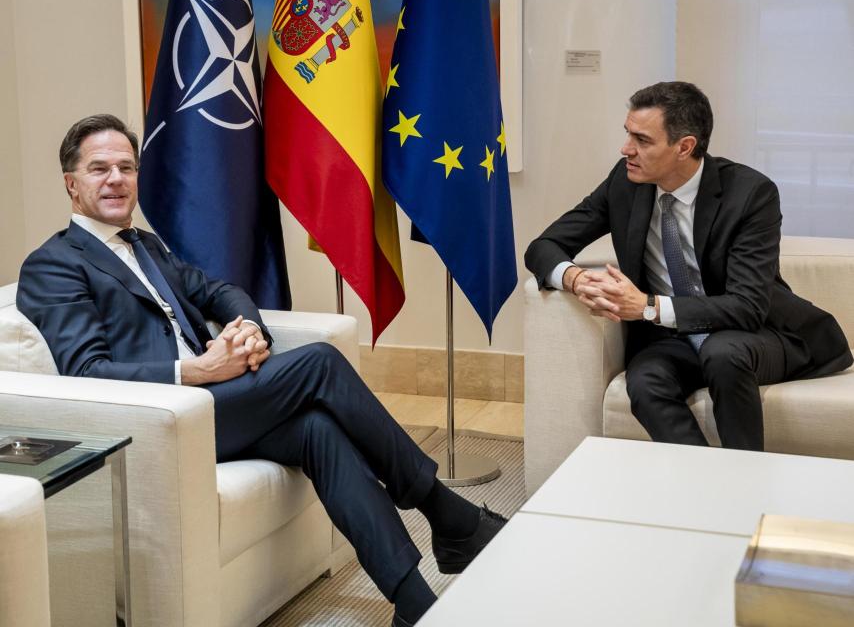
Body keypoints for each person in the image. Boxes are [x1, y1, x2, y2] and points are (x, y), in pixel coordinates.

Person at [17, 114, 507, 627]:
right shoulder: (53, 264)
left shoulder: (146, 245)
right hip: (161, 421)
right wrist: (197, 370)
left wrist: (248, 329)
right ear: (71, 184)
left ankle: (413, 603)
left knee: (318, 430)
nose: (116, 179)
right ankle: (443, 510)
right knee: (319, 361)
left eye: (126, 167)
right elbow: (88, 372)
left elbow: (218, 291)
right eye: (99, 169)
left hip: (218, 400)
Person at [525, 81, 852, 451]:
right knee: (645, 381)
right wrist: (575, 278)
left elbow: (747, 306)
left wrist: (647, 307)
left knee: (723, 352)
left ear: (685, 147)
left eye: (642, 140)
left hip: (761, 333)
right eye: (628, 134)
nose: (626, 149)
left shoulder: (750, 194)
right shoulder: (625, 182)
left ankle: (747, 482)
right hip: (674, 339)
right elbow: (543, 246)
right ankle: (702, 484)